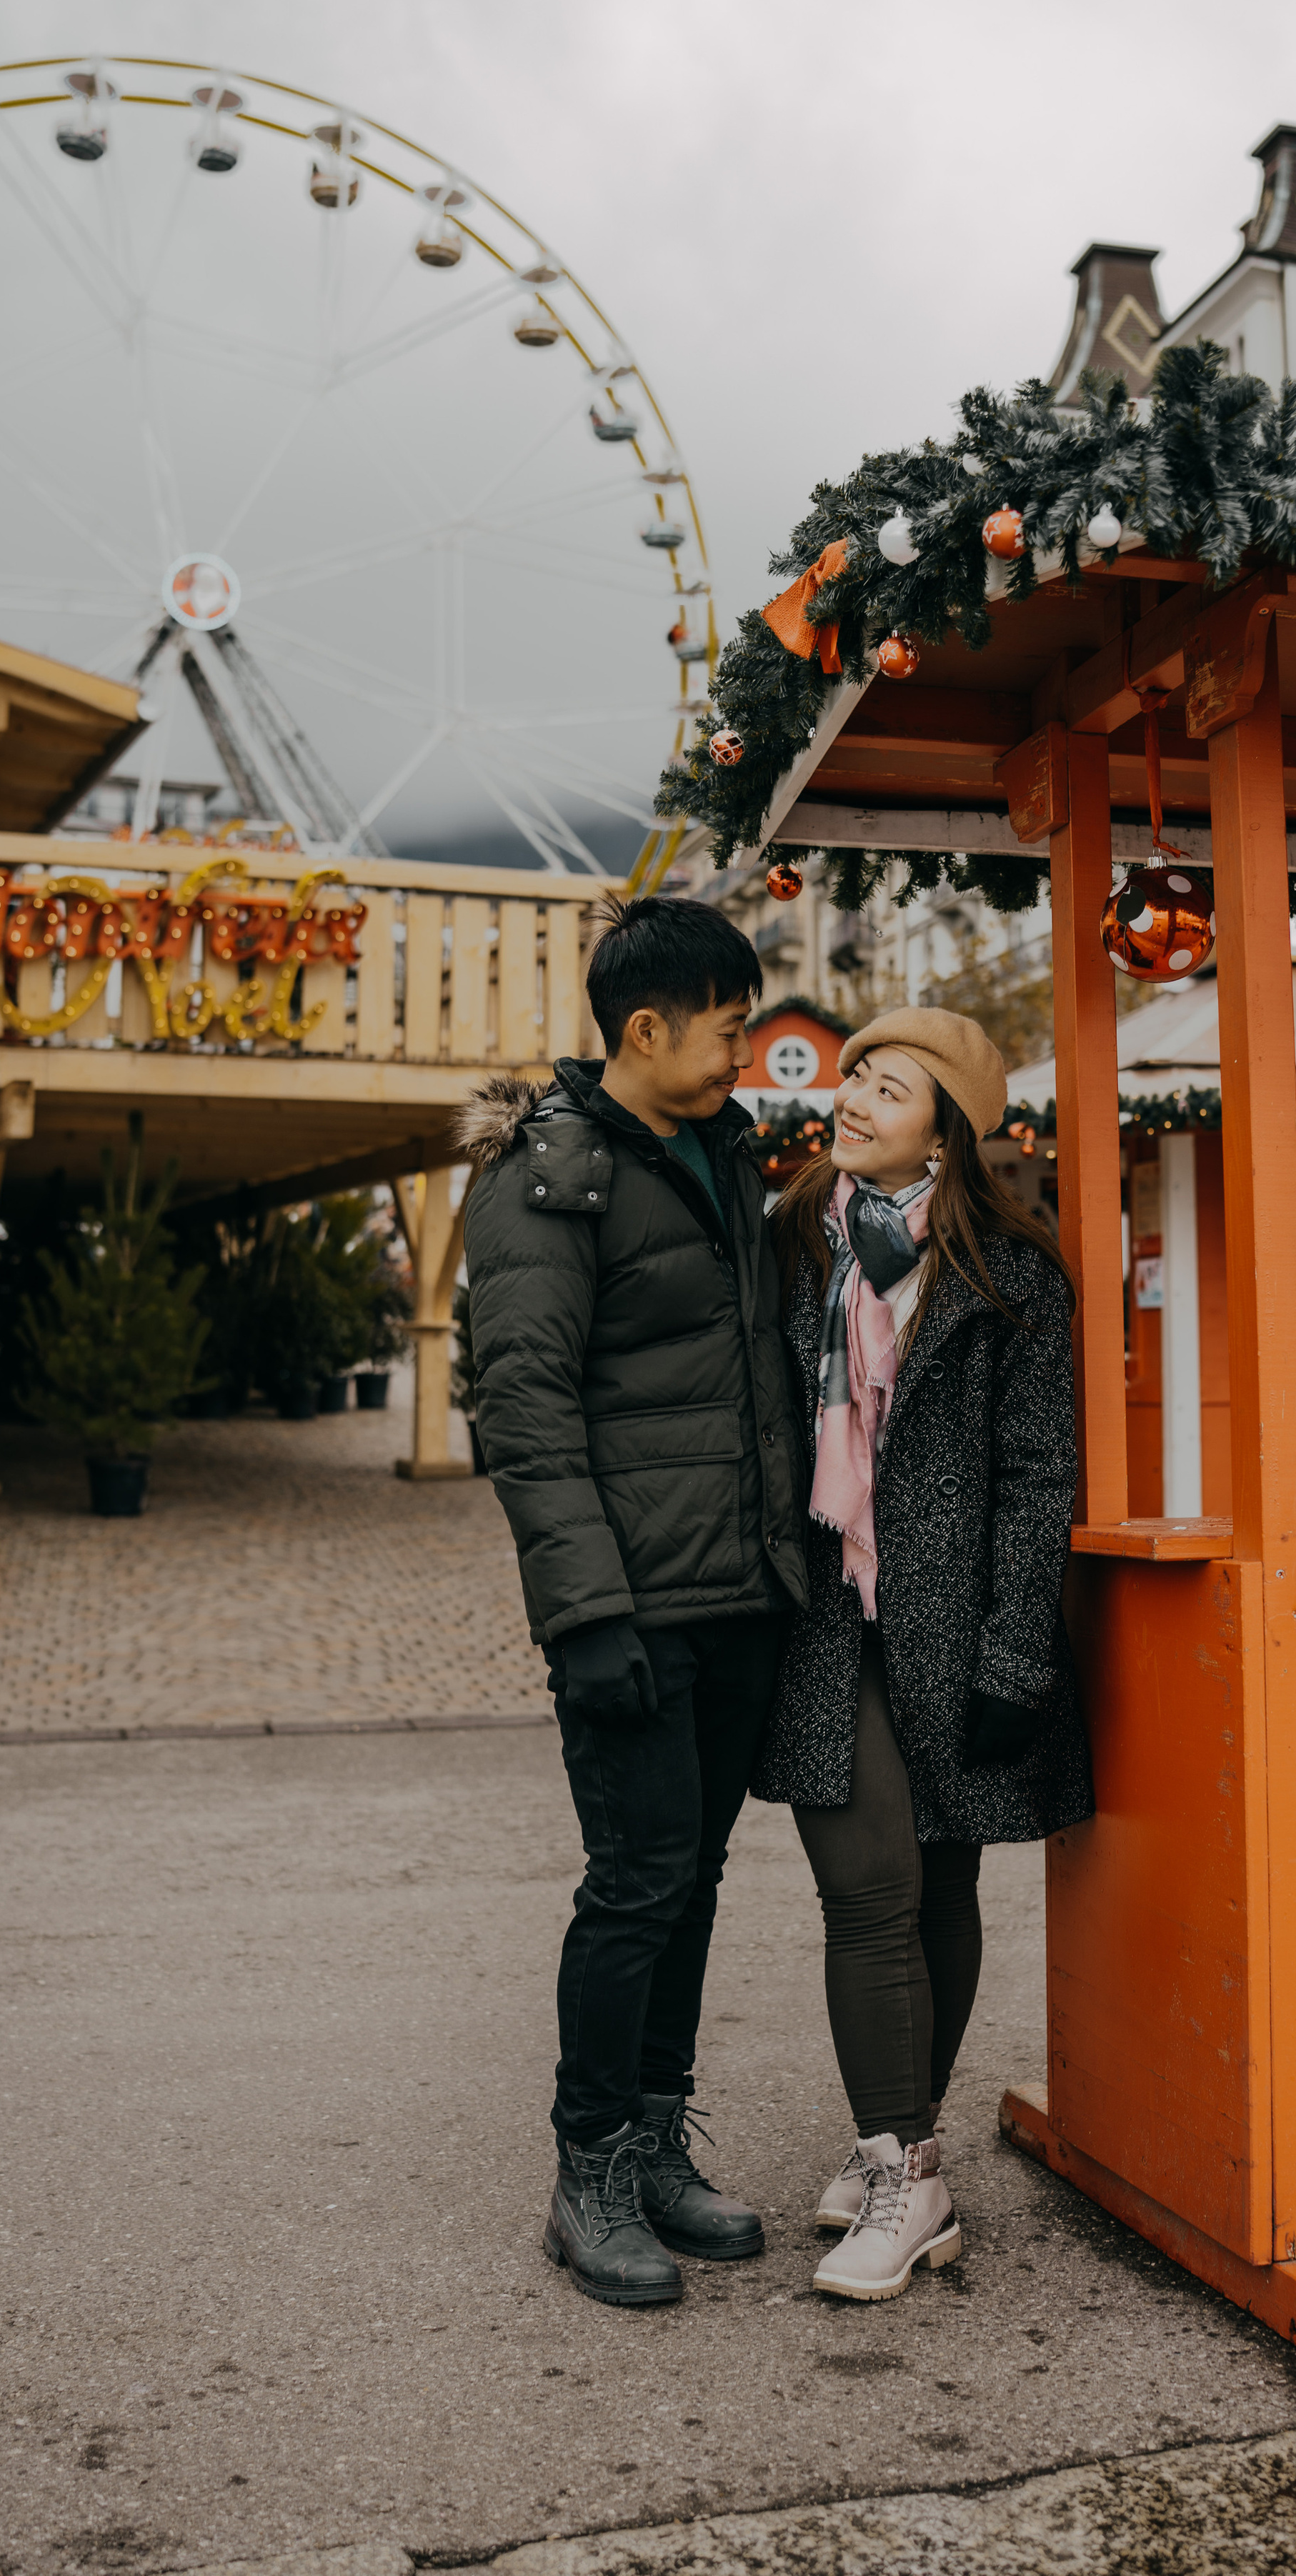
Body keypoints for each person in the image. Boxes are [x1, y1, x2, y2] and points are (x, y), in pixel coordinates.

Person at [459, 894, 809, 2310]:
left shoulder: (726, 1158)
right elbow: (524, 1409)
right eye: (728, 1023)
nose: (746, 1043)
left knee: (693, 1876)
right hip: (633, 1606)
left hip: (737, 1593)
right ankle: (588, 2171)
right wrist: (585, 1618)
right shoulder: (547, 1179)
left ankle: (658, 2145)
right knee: (637, 1881)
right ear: (647, 1028)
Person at [754, 1006, 1093, 2302]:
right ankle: (911, 2172)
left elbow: (1037, 1467)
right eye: (850, 1079)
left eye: (885, 1088)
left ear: (945, 1128)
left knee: (941, 1893)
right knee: (868, 1888)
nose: (849, 1101)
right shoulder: (794, 1243)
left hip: (956, 1632)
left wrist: (1018, 1655)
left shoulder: (1013, 1276)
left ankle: (896, 2151)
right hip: (825, 1616)